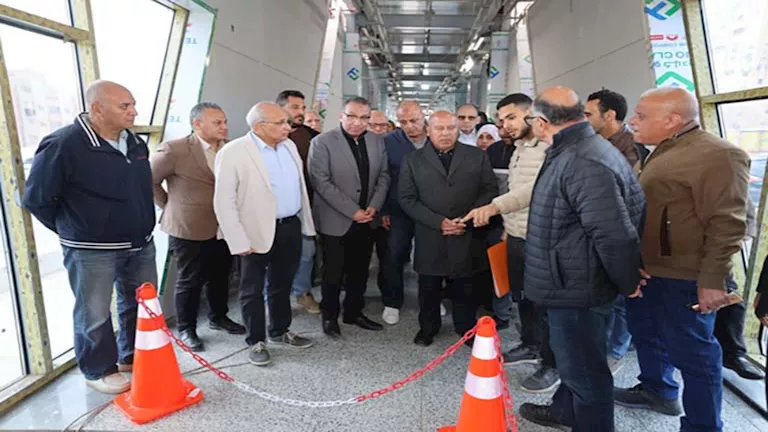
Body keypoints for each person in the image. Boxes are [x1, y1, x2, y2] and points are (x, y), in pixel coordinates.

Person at [615, 87, 750, 432]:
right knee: (647, 336)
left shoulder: (717, 155)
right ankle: (658, 390)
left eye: (642, 116)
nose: (632, 121)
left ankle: (703, 426)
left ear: (673, 119)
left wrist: (712, 280)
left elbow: (728, 223)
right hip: (650, 271)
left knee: (695, 356)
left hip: (687, 277)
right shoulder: (661, 151)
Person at [516, 87, 645, 431]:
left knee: (586, 375)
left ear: (542, 122)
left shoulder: (583, 161)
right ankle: (565, 413)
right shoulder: (577, 149)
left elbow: (614, 234)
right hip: (572, 277)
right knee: (575, 363)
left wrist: (628, 281)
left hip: (577, 287)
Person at [23, 80, 157, 394]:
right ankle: (98, 370)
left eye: (133, 104)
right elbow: (37, 199)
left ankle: (131, 356)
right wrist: (78, 229)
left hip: (139, 243)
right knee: (94, 312)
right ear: (97, 109)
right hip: (91, 248)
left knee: (139, 304)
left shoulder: (134, 142)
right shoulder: (64, 144)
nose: (133, 111)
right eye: (124, 106)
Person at [462, 93, 559, 394]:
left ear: (532, 113)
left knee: (545, 305)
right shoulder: (518, 148)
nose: (505, 125)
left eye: (512, 117)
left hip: (542, 239)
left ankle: (552, 364)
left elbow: (534, 190)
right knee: (523, 298)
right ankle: (531, 344)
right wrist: (507, 227)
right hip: (516, 235)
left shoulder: (549, 148)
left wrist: (494, 207)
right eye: (502, 119)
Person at [213, 102, 315, 366]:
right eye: (280, 122)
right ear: (259, 126)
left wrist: (305, 223)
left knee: (282, 284)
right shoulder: (234, 152)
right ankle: (256, 340)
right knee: (252, 289)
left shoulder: (289, 146)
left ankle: (280, 330)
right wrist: (237, 239)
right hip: (253, 231)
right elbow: (224, 201)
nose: (287, 127)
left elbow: (299, 187)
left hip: (289, 225)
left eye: (287, 121)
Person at [150, 102, 246, 352]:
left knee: (221, 275)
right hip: (188, 227)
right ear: (197, 124)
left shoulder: (230, 149)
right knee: (190, 280)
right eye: (218, 122)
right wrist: (170, 206)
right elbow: (149, 180)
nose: (224, 127)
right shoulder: (175, 149)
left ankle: (218, 317)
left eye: (225, 122)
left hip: (223, 226)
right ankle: (187, 328)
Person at [398, 110, 498, 347]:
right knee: (429, 286)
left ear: (458, 130)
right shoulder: (413, 160)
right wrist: (439, 222)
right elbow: (407, 198)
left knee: (465, 286)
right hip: (430, 233)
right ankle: (428, 327)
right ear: (428, 130)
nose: (445, 133)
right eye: (439, 128)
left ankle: (465, 328)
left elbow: (489, 189)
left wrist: (467, 218)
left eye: (450, 128)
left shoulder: (476, 156)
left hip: (466, 231)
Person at [308, 97, 390, 338]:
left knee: (360, 270)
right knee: (332, 273)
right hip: (336, 219)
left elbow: (384, 175)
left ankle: (354, 312)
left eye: (364, 118)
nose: (357, 122)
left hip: (368, 218)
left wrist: (374, 205)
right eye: (352, 116)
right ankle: (329, 316)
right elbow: (321, 182)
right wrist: (352, 211)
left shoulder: (376, 141)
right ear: (341, 116)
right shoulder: (322, 142)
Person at [585, 89, 640, 372]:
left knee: (622, 300)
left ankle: (615, 350)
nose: (584, 119)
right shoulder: (596, 144)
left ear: (609, 115)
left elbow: (625, 194)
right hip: (599, 231)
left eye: (589, 114)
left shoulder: (631, 149)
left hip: (621, 232)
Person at [380, 100, 429, 325]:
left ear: (423, 116)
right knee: (394, 256)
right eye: (403, 121)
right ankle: (392, 302)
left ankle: (431, 300)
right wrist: (384, 209)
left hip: (431, 210)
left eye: (414, 120)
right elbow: (384, 176)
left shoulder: (437, 137)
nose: (409, 126)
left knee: (431, 257)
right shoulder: (390, 141)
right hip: (399, 210)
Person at [274, 90, 321, 314]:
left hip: (304, 205)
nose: (300, 112)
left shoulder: (311, 137)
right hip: (273, 210)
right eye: (295, 107)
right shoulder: (267, 138)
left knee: (307, 251)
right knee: (273, 257)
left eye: (302, 107)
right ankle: (272, 298)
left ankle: (302, 292)